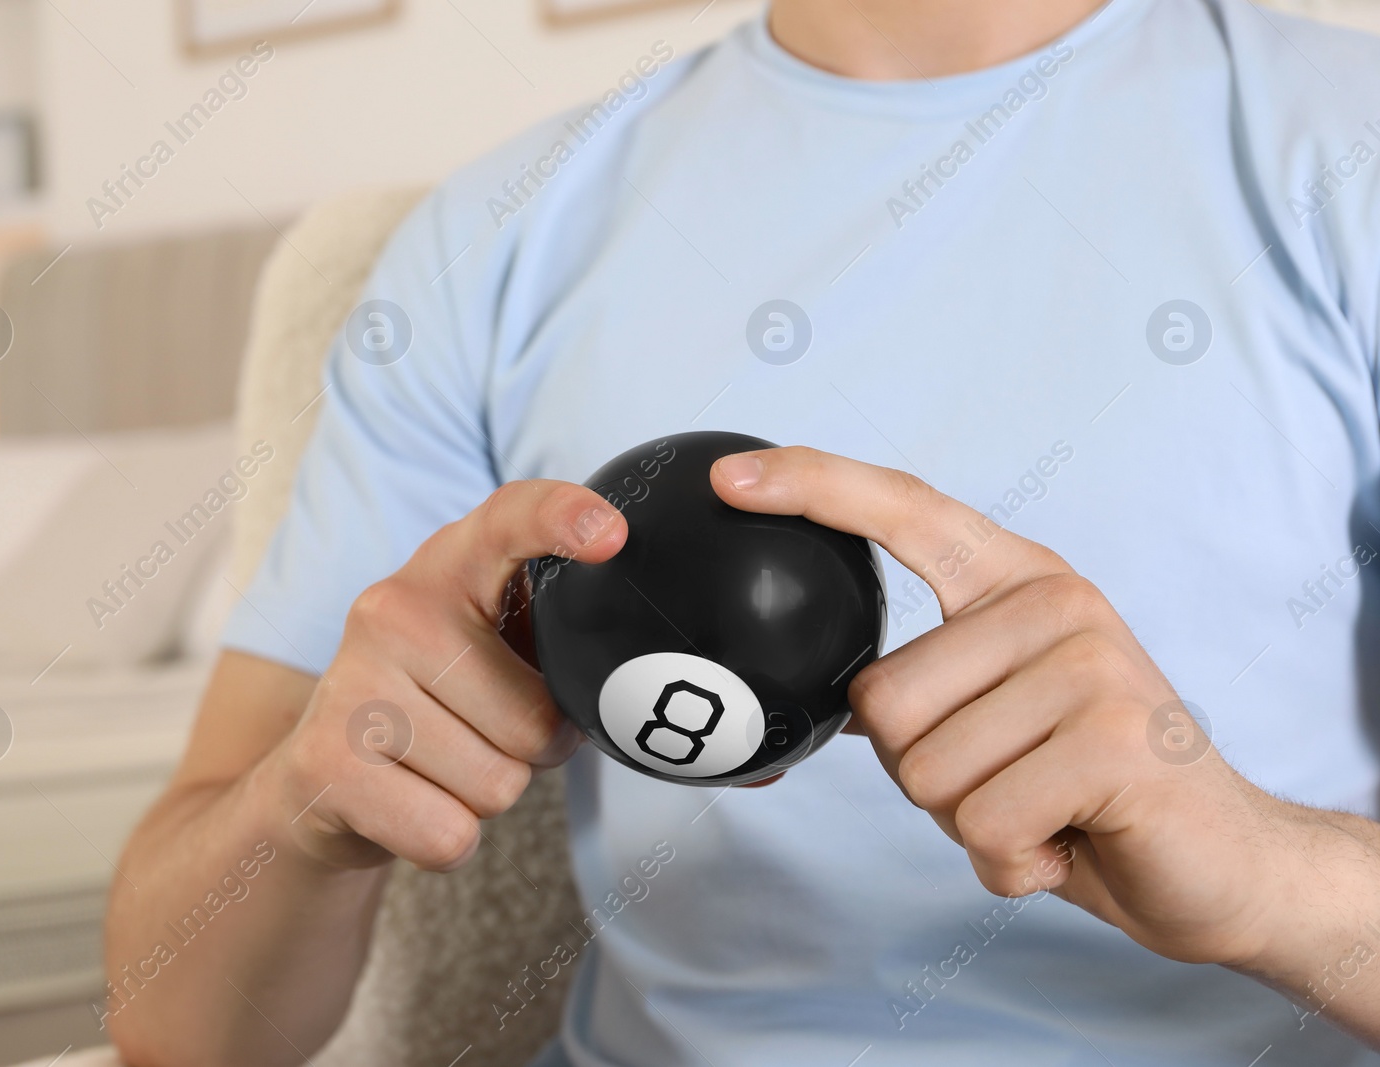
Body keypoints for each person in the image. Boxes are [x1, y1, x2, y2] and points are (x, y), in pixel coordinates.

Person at [103, 0, 1380, 1062]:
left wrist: (1267, 873)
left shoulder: (1339, 133)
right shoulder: (494, 235)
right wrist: (299, 807)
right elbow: (175, 1023)